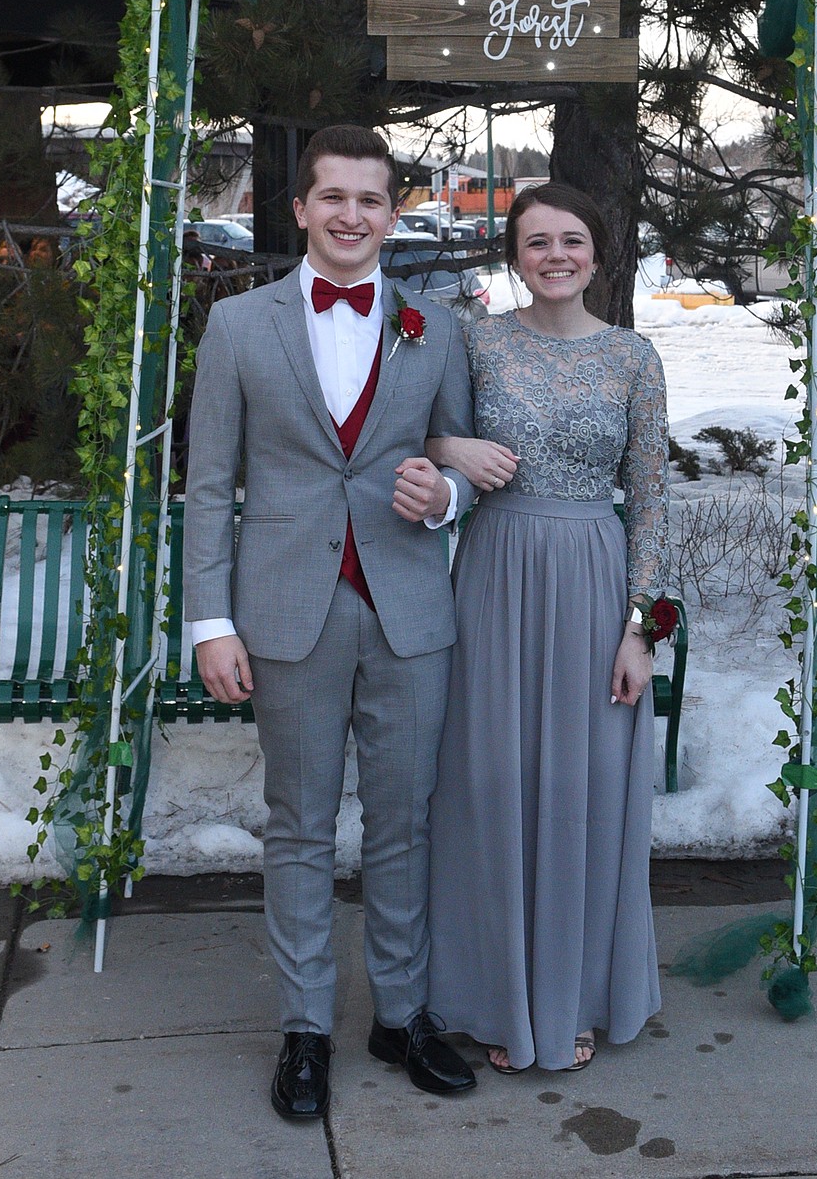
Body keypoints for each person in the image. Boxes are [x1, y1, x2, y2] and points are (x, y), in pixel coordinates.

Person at [184, 124, 479, 1121]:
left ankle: (400, 1014)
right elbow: (208, 484)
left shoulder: (436, 326)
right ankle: (306, 1027)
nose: (353, 214)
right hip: (285, 611)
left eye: (371, 198)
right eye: (334, 197)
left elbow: (459, 463)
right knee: (301, 828)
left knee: (404, 825)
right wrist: (210, 621)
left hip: (406, 610)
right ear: (302, 208)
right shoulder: (239, 327)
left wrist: (439, 496)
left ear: (394, 216)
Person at [425, 182, 670, 1074]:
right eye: (536, 242)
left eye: (572, 239)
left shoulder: (635, 358)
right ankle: (496, 995)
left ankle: (572, 996)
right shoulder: (477, 344)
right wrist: (453, 451)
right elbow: (417, 433)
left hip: (596, 585)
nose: (555, 254)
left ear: (598, 253)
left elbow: (651, 501)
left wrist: (642, 627)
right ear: (514, 256)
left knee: (582, 787)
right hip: (495, 575)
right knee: (493, 780)